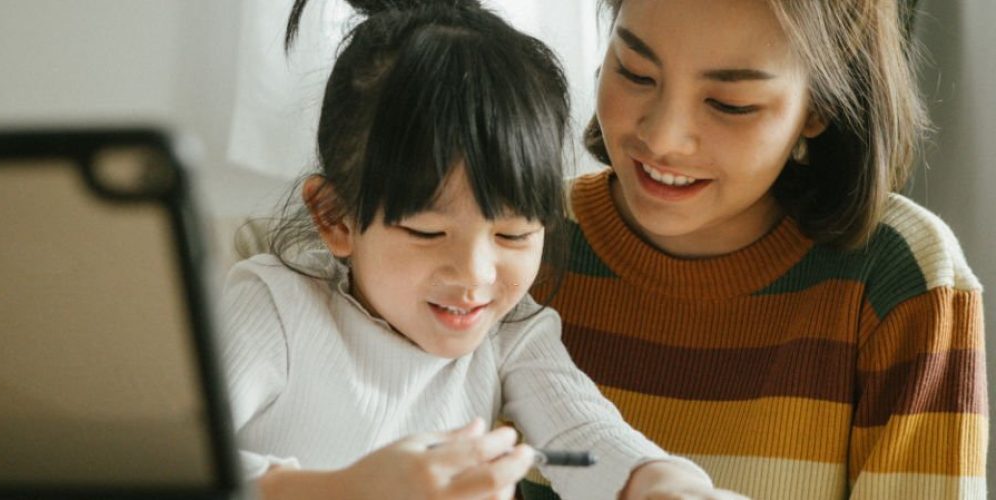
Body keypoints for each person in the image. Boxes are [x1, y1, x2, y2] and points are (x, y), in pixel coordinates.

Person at [219, 0, 749, 498]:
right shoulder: (274, 307)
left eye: (514, 234)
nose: (475, 276)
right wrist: (341, 489)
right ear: (336, 217)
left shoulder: (511, 333)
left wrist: (661, 482)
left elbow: (586, 430)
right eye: (427, 233)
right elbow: (162, 465)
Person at [518, 0, 988, 498]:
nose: (663, 138)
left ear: (819, 106)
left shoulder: (898, 280)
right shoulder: (516, 245)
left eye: (730, 104)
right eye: (635, 73)